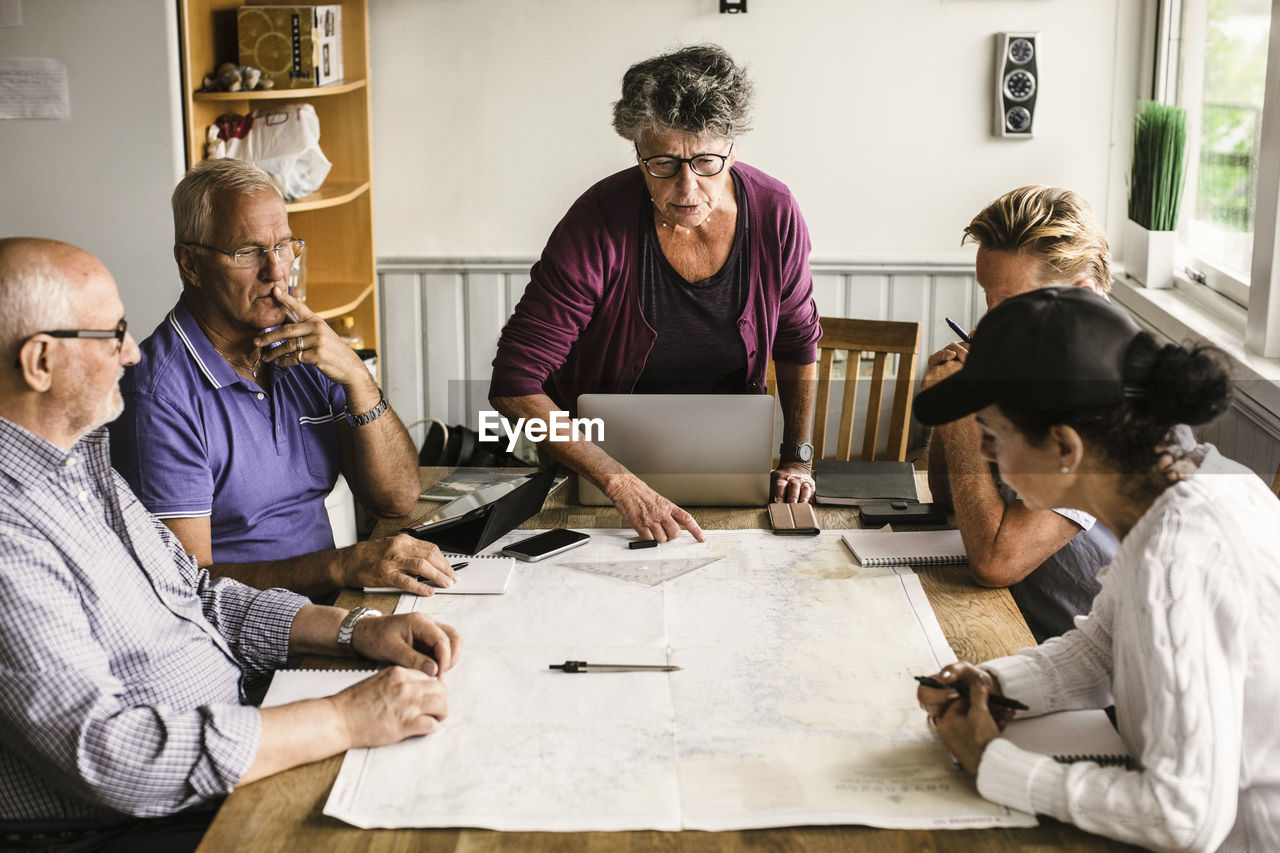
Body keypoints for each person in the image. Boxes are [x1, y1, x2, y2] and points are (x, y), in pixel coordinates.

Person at [0, 237, 459, 850]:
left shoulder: (82, 462)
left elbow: (196, 593)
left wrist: (354, 630)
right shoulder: (10, 531)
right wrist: (344, 717)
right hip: (129, 823)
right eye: (112, 336)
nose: (132, 354)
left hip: (233, 725)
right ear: (39, 362)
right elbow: (113, 758)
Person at [914, 286, 1279, 852]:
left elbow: (1183, 819)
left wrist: (993, 761)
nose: (986, 454)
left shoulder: (1178, 551)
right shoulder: (1172, 490)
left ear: (1064, 446)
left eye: (995, 434)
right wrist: (995, 683)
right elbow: (1100, 650)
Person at [488, 44, 822, 543]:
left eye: (707, 162)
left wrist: (797, 457)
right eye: (662, 164)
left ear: (733, 148)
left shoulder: (774, 211)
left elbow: (797, 344)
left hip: (723, 468)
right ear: (637, 150)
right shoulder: (598, 219)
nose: (686, 189)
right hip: (597, 471)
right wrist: (620, 482)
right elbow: (514, 382)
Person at [110, 159, 458, 598]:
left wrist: (355, 376)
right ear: (191, 264)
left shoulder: (301, 346)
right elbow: (184, 586)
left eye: (285, 246)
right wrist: (343, 565)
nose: (277, 271)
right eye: (247, 252)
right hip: (242, 643)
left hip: (328, 608)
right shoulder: (157, 395)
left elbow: (398, 496)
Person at [922, 186, 1120, 640]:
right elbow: (950, 501)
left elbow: (996, 563)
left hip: (1107, 667)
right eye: (988, 298)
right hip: (1024, 627)